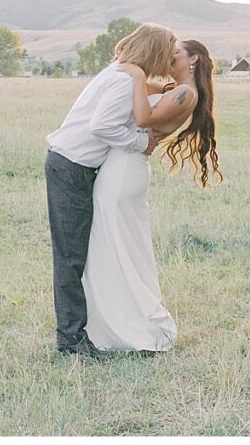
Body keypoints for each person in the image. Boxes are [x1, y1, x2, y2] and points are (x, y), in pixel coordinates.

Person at [44, 23, 177, 358]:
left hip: (75, 166)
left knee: (78, 254)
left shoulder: (121, 73)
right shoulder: (122, 81)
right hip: (71, 167)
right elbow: (101, 126)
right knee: (71, 257)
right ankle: (70, 341)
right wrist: (141, 142)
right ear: (155, 51)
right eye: (169, 51)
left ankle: (80, 332)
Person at [82, 39, 223, 353]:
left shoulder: (186, 93)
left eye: (176, 54)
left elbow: (143, 119)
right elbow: (141, 91)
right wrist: (135, 70)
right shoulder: (175, 89)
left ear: (194, 59)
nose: (169, 58)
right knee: (117, 241)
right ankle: (114, 318)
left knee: (116, 241)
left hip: (125, 170)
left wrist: (135, 77)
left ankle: (129, 323)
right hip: (124, 165)